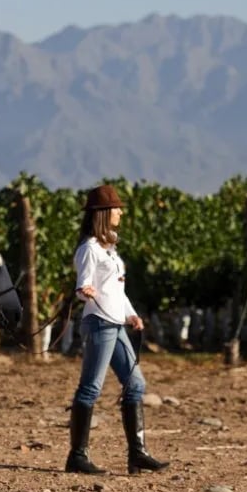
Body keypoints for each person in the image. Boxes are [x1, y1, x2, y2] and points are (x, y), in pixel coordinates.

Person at [65, 184, 169, 475]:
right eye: (116, 209)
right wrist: (84, 292)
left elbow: (116, 289)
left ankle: (138, 454)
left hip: (115, 323)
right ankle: (77, 456)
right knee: (90, 387)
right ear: (103, 213)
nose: (120, 212)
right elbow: (83, 286)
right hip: (99, 322)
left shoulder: (108, 249)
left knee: (135, 384)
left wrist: (131, 314)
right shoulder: (89, 249)